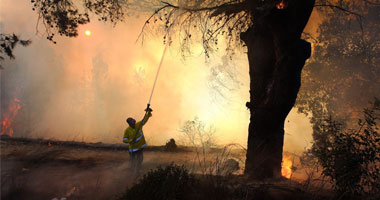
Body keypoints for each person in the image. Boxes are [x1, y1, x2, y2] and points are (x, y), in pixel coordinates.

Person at [123, 106, 152, 176]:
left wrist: (148, 112)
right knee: (132, 162)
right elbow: (124, 139)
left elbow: (144, 119)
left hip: (140, 148)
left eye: (133, 120)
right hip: (133, 149)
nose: (133, 122)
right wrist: (130, 140)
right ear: (129, 123)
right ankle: (131, 172)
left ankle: (137, 172)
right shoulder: (127, 131)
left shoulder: (138, 125)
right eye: (131, 121)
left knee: (139, 160)